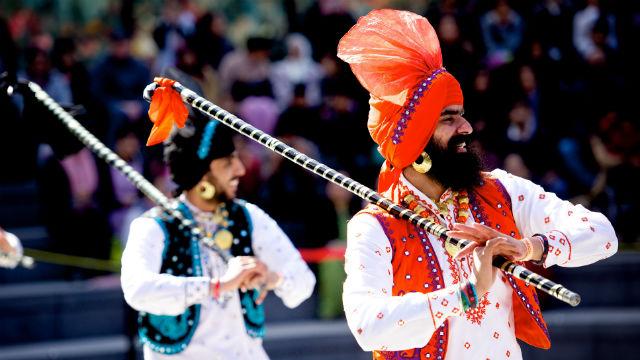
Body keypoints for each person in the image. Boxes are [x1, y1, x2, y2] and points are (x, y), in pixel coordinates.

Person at [337, 9, 618, 359]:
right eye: (449, 118)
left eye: (463, 114)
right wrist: (466, 294)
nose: (467, 127)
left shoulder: (501, 191)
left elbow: (603, 234)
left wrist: (526, 248)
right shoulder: (377, 226)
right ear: (413, 140)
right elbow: (368, 326)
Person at [120, 77, 315, 359]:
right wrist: (218, 285)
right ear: (200, 176)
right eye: (227, 163)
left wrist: (270, 278)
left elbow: (303, 284)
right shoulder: (154, 227)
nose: (240, 170)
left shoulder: (249, 217)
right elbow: (137, 290)